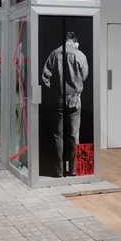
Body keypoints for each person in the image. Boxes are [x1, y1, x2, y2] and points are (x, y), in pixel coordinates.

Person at [41, 32, 88, 177]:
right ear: (74, 41)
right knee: (74, 135)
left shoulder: (54, 54)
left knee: (58, 136)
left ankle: (59, 171)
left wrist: (55, 90)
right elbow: (85, 75)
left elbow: (45, 77)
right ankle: (73, 170)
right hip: (75, 99)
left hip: (58, 99)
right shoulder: (80, 55)